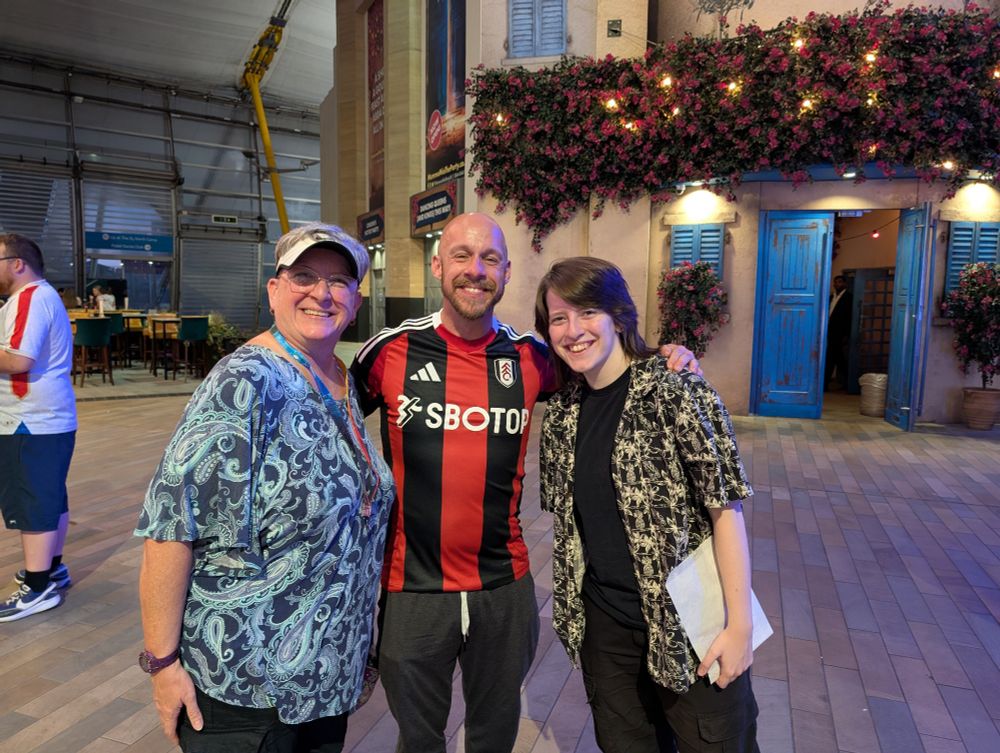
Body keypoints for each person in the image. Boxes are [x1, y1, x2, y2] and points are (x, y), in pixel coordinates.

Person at [351, 212, 698, 753]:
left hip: (504, 586)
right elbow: (326, 406)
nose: (475, 270)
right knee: (418, 739)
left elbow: (608, 368)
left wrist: (665, 356)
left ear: (506, 272)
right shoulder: (388, 351)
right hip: (411, 587)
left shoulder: (533, 358)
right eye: (462, 256)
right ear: (438, 265)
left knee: (494, 734)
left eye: (489, 258)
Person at [135, 223, 395, 753]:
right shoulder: (243, 382)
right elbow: (171, 527)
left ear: (356, 301)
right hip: (246, 687)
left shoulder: (338, 376)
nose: (322, 293)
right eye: (305, 276)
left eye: (339, 281)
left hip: (325, 679)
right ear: (274, 290)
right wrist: (162, 663)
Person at [535, 256, 759, 753]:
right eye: (559, 318)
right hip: (607, 628)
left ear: (618, 315)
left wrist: (740, 625)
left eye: (588, 312)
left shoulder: (675, 388)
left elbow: (725, 511)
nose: (573, 331)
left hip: (693, 623)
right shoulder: (563, 413)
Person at [0, 234, 76, 622]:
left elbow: (18, 360)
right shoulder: (40, 296)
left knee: (33, 500)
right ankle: (50, 569)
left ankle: (37, 587)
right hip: (44, 417)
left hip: (27, 418)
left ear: (18, 264)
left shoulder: (29, 297)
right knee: (48, 496)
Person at [825, 274, 853, 390]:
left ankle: (826, 383)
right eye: (836, 282)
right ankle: (848, 383)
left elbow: (849, 318)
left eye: (840, 282)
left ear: (845, 284)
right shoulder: (831, 297)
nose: (837, 284)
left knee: (832, 357)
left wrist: (846, 334)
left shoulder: (849, 298)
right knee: (836, 357)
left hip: (840, 333)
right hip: (829, 331)